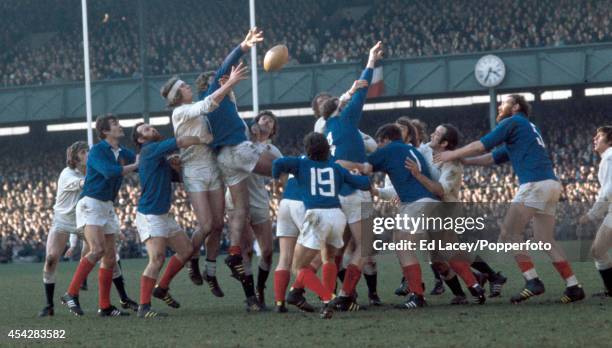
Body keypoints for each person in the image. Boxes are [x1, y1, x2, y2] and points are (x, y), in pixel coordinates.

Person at [435, 94, 585, 304]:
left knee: (508, 232)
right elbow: (491, 157)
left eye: (503, 103)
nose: (499, 106)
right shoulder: (527, 128)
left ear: (515, 107)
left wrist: (451, 155)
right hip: (550, 184)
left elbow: (482, 145)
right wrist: (464, 160)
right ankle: (573, 286)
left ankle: (532, 281)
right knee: (545, 239)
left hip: (533, 184)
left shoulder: (512, 121)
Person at [161, 59, 247, 296]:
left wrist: (227, 90)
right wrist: (229, 83)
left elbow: (220, 109)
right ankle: (191, 259)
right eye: (185, 87)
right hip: (193, 170)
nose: (189, 87)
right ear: (177, 95)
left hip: (212, 165)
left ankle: (210, 271)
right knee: (207, 224)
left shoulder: (195, 106)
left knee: (218, 224)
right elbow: (207, 104)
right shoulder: (180, 112)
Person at [203, 27, 277, 282]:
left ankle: (233, 252)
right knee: (279, 168)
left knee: (240, 209)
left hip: (224, 157)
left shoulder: (209, 107)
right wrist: (243, 47)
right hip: (237, 150)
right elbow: (225, 66)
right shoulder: (216, 95)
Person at [272, 132, 371, 319]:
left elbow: (278, 164)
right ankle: (326, 305)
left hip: (316, 217)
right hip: (337, 216)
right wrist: (361, 174)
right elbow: (363, 183)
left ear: (307, 149)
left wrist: (276, 176)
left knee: (297, 266)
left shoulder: (301, 163)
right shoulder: (336, 167)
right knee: (329, 259)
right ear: (327, 149)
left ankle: (327, 296)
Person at [316, 41, 383, 311]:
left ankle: (327, 293)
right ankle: (344, 293)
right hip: (354, 191)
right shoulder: (346, 120)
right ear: (339, 107)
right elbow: (362, 90)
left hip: (334, 195)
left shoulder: (325, 127)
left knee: (336, 249)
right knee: (366, 246)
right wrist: (370, 61)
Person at [405, 123, 507, 303]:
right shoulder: (426, 150)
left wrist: (418, 176)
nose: (432, 134)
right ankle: (480, 281)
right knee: (439, 258)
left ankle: (475, 285)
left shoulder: (453, 165)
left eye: (436, 134)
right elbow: (410, 147)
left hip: (447, 209)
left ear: (444, 144)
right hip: (431, 209)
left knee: (448, 251)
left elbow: (441, 191)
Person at [61, 114, 138, 317]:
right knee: (96, 250)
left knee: (110, 258)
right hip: (91, 203)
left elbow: (140, 162)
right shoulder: (97, 150)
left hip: (107, 205)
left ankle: (104, 306)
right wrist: (136, 165)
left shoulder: (122, 152)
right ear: (105, 131)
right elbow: (109, 172)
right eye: (114, 124)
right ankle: (70, 293)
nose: (119, 126)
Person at [131, 122, 205, 318]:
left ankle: (162, 287)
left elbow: (178, 179)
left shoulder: (157, 156)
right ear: (141, 139)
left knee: (187, 250)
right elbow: (180, 141)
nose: (152, 129)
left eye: (151, 127)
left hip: (163, 214)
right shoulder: (149, 150)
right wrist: (203, 139)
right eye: (146, 129)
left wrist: (176, 166)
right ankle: (144, 307)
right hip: (150, 214)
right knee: (157, 259)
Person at [225, 111, 282, 311]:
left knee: (267, 251)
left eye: (270, 121)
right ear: (255, 124)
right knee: (246, 250)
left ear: (273, 129)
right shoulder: (242, 144)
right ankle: (251, 299)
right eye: (263, 119)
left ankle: (260, 290)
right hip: (235, 200)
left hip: (259, 199)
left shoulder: (272, 150)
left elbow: (279, 173)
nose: (266, 121)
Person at [579, 125, 612, 297]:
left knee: (598, 251)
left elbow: (609, 190)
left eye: (599, 136)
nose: (595, 139)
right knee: (598, 250)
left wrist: (592, 215)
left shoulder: (609, 158)